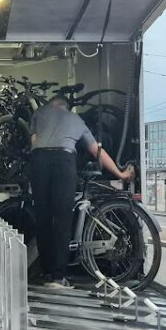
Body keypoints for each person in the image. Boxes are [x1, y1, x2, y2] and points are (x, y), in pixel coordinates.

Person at [28, 95, 133, 289]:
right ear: (67, 108)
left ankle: (46, 273)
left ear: (52, 104)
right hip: (63, 161)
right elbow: (96, 151)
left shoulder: (39, 113)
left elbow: (34, 141)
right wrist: (120, 173)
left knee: (42, 219)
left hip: (39, 161)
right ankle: (58, 278)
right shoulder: (75, 119)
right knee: (61, 219)